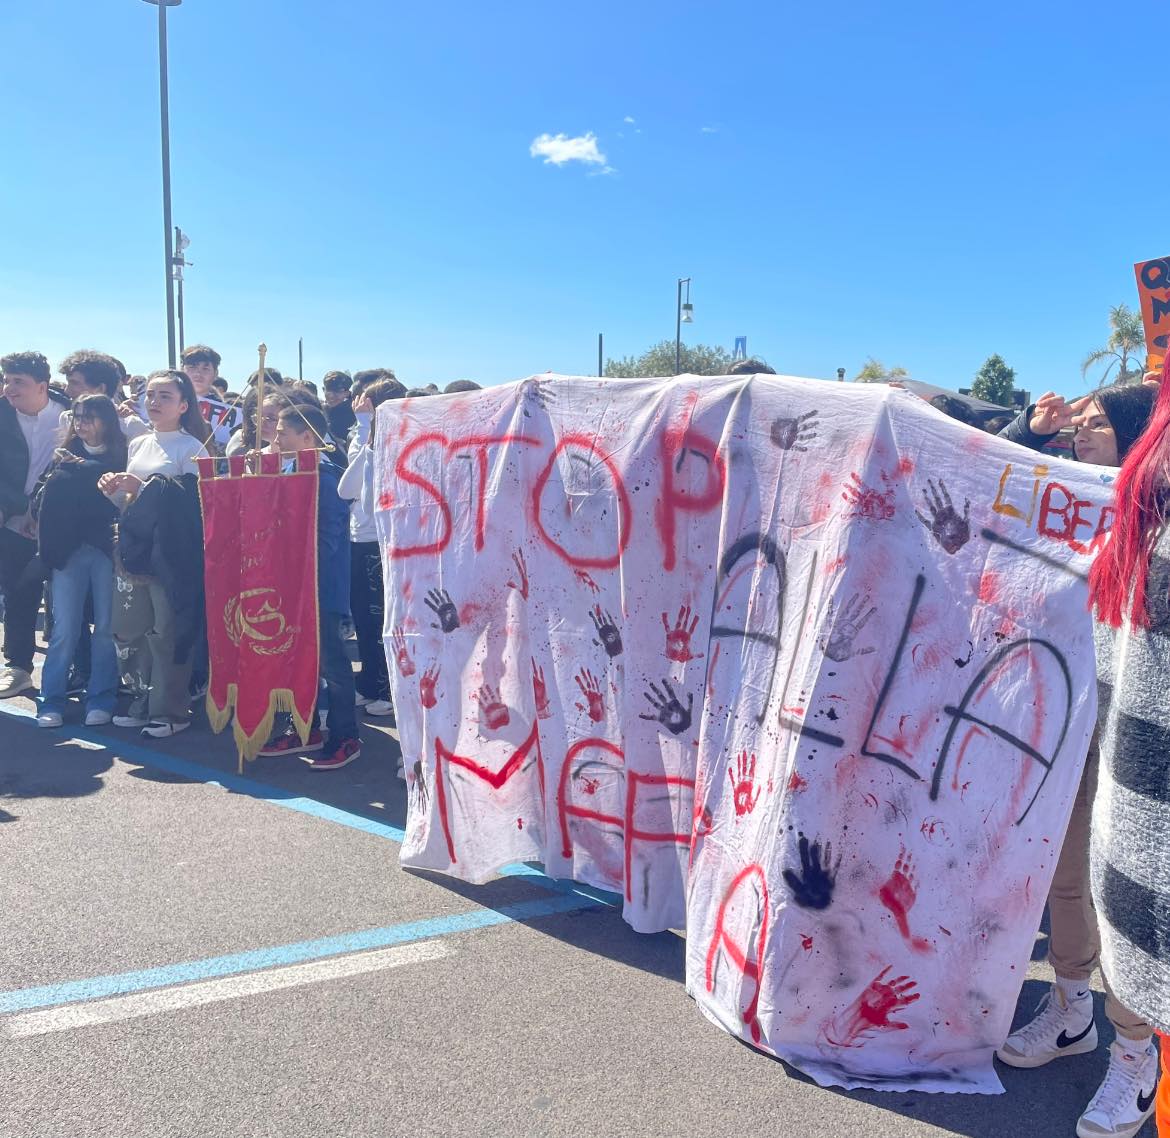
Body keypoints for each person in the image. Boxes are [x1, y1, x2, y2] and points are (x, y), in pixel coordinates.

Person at [997, 380, 1159, 1138]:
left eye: (1099, 423)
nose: (1082, 432)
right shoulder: (1071, 491)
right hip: (1067, 716)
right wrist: (1030, 432)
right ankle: (1071, 1010)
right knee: (1065, 874)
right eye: (1081, 422)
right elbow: (988, 477)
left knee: (1128, 894)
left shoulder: (1152, 515)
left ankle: (1136, 1054)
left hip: (1135, 730)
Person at [1079, 359, 1170, 1138]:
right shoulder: (1138, 525)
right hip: (1136, 806)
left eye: (1100, 423)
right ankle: (1131, 1056)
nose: (1083, 433)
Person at [100, 370, 209, 738]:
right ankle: (141, 701)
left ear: (184, 405)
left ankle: (171, 710)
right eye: (150, 394)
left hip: (171, 554)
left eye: (165, 396)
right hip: (134, 549)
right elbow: (131, 503)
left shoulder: (192, 448)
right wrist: (114, 489)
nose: (154, 402)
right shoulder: (138, 444)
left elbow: (193, 505)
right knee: (130, 630)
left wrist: (143, 485)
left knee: (166, 633)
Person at [259, 403, 360, 770]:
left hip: (320, 587)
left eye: (282, 433)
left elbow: (328, 540)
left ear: (306, 437)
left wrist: (301, 571)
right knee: (297, 660)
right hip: (291, 585)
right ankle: (304, 727)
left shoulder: (327, 477)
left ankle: (345, 736)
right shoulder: (287, 470)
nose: (276, 439)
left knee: (332, 663)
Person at [35, 395, 127, 727]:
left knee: (105, 628)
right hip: (67, 554)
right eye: (77, 416)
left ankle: (101, 697)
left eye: (90, 416)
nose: (82, 423)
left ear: (107, 420)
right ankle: (51, 700)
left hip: (106, 552)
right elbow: (44, 504)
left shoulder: (123, 456)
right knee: (65, 628)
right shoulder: (61, 457)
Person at [0, 351, 70, 698]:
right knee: (18, 593)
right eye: (6, 380)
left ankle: (80, 671)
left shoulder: (71, 414)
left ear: (42, 385)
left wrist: (41, 511)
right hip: (11, 520)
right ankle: (17, 667)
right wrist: (18, 508)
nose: (8, 389)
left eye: (18, 382)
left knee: (70, 600)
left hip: (60, 521)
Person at [338, 378, 405, 718]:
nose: (358, 406)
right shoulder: (363, 437)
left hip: (383, 540)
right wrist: (365, 432)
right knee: (364, 617)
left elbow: (370, 496)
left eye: (366, 402)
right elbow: (346, 489)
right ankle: (369, 683)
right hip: (359, 538)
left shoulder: (400, 440)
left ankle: (388, 689)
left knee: (382, 621)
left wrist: (368, 429)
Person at [997, 386, 1156, 465]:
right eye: (1079, 427)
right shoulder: (1059, 492)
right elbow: (989, 467)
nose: (1079, 437)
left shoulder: (1160, 510)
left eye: (1098, 424)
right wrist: (1028, 432)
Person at [58, 350, 148, 440]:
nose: (66, 391)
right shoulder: (67, 419)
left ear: (100, 389)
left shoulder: (131, 427)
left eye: (74, 383)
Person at [181, 344, 240, 450]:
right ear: (182, 370)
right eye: (192, 367)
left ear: (215, 373)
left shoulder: (229, 412)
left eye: (205, 368)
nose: (198, 373)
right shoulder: (168, 403)